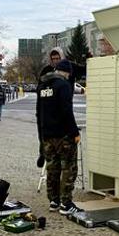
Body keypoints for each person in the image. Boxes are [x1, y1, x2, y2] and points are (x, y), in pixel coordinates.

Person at [36, 59, 83, 215]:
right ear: (66, 72)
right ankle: (66, 204)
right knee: (69, 168)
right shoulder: (63, 85)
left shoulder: (42, 86)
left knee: (52, 169)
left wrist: (42, 136)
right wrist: (75, 132)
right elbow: (66, 111)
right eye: (68, 74)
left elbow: (39, 113)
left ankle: (54, 201)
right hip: (64, 136)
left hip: (47, 135)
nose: (68, 77)